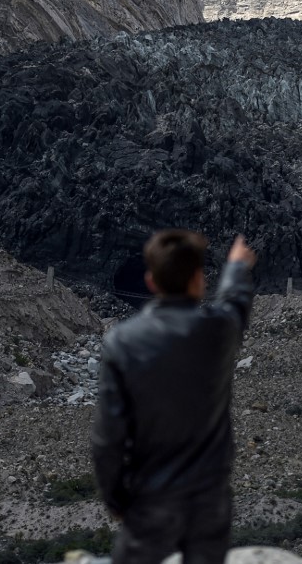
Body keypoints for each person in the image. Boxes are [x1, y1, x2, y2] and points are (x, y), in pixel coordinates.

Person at [91, 230, 256, 564]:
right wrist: (237, 267)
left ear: (150, 280)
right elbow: (235, 302)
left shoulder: (122, 342)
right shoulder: (217, 330)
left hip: (150, 502)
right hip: (208, 505)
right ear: (198, 279)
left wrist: (116, 500)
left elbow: (108, 438)